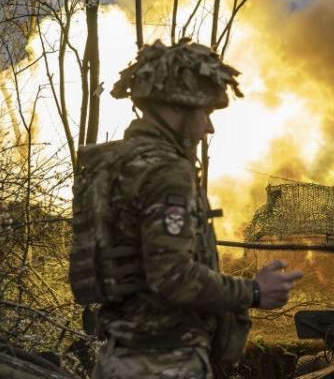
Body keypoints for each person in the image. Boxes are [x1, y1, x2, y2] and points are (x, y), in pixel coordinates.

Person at [79, 39, 303, 378]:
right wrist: (254, 291)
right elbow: (171, 277)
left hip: (119, 357)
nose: (208, 127)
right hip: (165, 363)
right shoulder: (166, 172)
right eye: (205, 113)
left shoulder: (114, 164)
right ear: (178, 106)